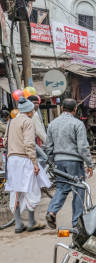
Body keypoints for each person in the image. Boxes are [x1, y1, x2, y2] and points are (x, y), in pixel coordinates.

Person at [45, 98, 93, 228]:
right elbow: (83, 147)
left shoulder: (52, 124)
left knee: (61, 188)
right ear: (75, 109)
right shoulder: (77, 124)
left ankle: (52, 212)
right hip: (74, 161)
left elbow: (48, 146)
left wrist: (51, 163)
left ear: (62, 108)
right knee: (78, 189)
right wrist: (90, 164)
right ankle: (76, 222)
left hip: (58, 161)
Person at [4, 97, 50, 233]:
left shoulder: (12, 121)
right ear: (29, 110)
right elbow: (29, 144)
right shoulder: (28, 122)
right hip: (24, 159)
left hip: (12, 160)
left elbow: (5, 140)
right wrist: (35, 163)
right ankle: (31, 222)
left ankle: (18, 224)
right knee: (31, 190)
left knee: (16, 191)